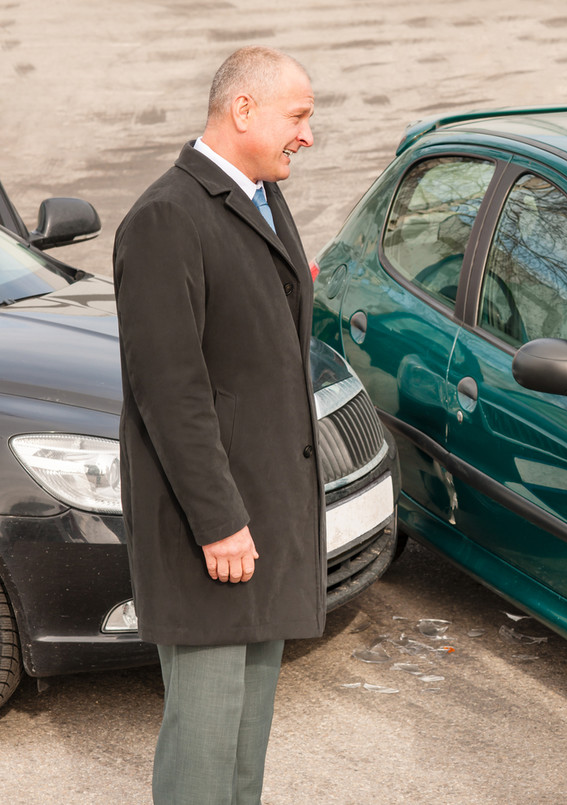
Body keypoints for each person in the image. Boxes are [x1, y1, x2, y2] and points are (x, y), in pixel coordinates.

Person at [113, 46, 324, 805]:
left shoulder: (260, 196)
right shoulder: (167, 217)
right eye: (298, 116)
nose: (308, 134)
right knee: (203, 755)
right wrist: (220, 521)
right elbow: (170, 391)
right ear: (243, 111)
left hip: (259, 524)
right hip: (214, 531)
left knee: (242, 754)